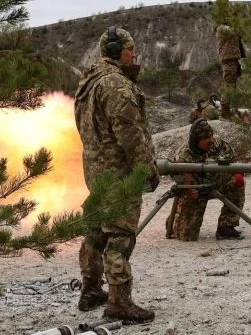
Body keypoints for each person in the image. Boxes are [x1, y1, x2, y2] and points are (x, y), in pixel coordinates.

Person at [74, 26, 160, 322]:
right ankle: (119, 302)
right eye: (130, 49)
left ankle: (90, 290)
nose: (134, 53)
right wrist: (146, 170)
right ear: (115, 51)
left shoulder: (89, 82)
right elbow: (130, 135)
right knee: (120, 236)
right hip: (120, 173)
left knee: (96, 231)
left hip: (96, 172)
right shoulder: (115, 84)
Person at [169, 118, 246, 241]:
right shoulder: (182, 156)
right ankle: (175, 222)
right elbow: (181, 179)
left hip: (216, 182)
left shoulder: (217, 142)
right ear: (196, 141)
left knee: (237, 183)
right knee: (187, 236)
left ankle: (226, 227)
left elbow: (232, 158)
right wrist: (189, 188)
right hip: (196, 190)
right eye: (206, 139)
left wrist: (238, 174)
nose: (211, 140)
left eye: (211, 136)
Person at [215, 23, 244, 118]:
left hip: (232, 58)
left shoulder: (226, 27)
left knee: (232, 86)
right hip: (228, 59)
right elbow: (235, 32)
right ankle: (225, 113)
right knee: (229, 87)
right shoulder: (222, 27)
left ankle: (231, 110)